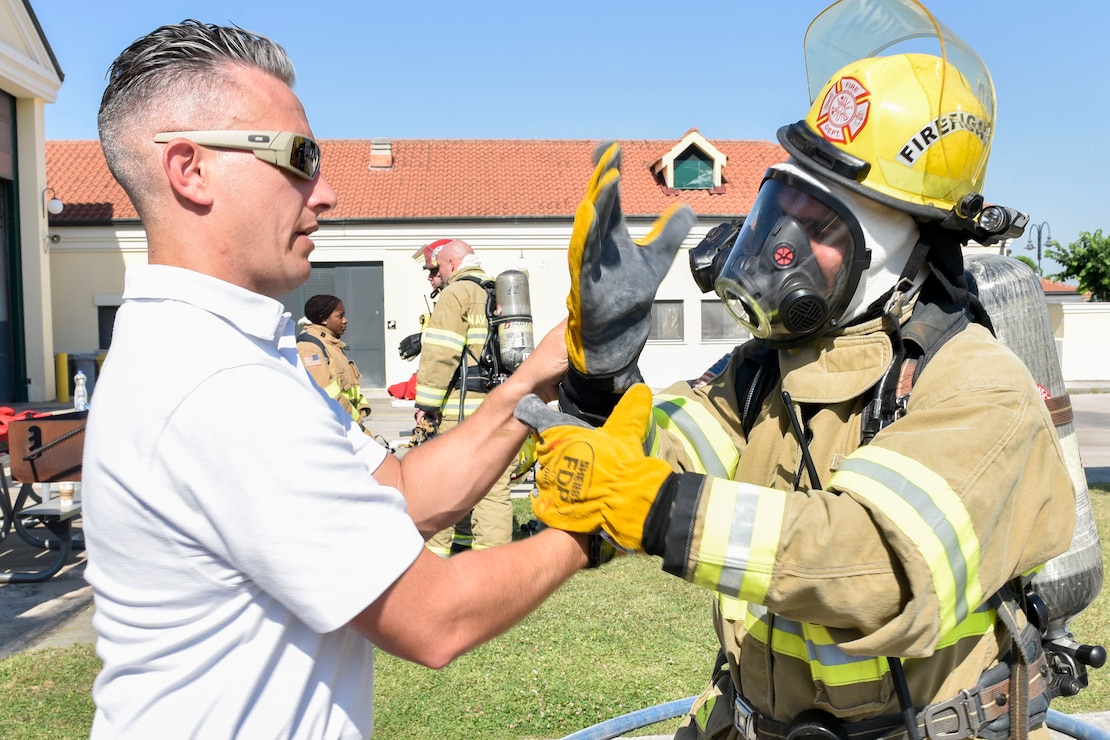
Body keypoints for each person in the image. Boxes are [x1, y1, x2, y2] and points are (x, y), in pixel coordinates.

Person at [515, 2, 1077, 738]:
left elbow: (869, 560)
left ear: (893, 253)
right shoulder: (765, 372)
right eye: (780, 213)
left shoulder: (976, 385)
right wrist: (601, 376)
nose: (781, 250)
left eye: (818, 229)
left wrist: (660, 511)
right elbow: (649, 455)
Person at [82, 20, 598, 739]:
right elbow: (434, 616)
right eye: (299, 157)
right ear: (189, 169)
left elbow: (406, 495)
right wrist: (602, 525)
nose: (325, 192)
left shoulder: (224, 351)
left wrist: (535, 376)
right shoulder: (217, 383)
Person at [413, 238, 514, 554]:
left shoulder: (456, 293)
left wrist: (426, 405)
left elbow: (441, 353)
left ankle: (435, 559)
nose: (432, 278)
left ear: (451, 264)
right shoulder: (496, 291)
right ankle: (491, 560)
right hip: (498, 406)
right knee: (493, 487)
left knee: (442, 483)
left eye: (434, 269)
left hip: (462, 408)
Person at [297, 294, 373, 431]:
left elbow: (348, 387)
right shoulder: (310, 348)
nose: (345, 320)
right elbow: (325, 392)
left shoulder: (332, 344)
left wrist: (362, 407)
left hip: (349, 423)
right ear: (323, 319)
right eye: (340, 316)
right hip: (337, 425)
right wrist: (355, 420)